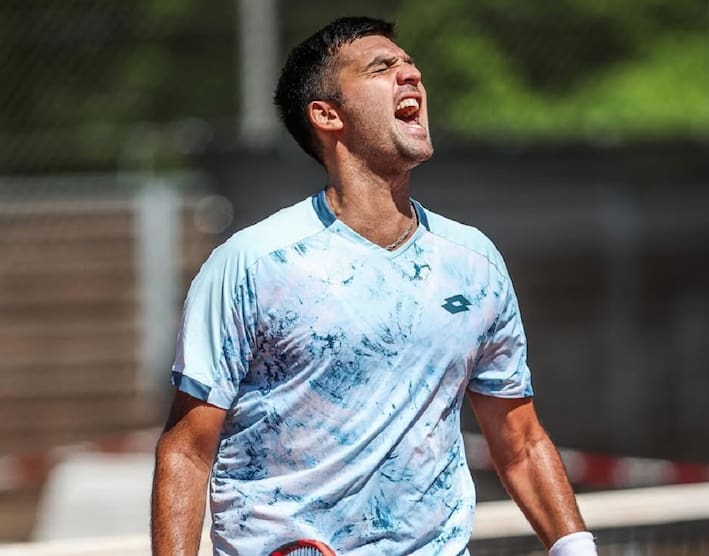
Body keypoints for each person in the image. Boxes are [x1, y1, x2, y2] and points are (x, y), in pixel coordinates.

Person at [151, 16, 597, 556]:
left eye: (412, 66)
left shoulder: (474, 262)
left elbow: (520, 441)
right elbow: (187, 451)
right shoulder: (251, 264)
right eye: (383, 68)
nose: (410, 76)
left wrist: (577, 548)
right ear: (327, 114)